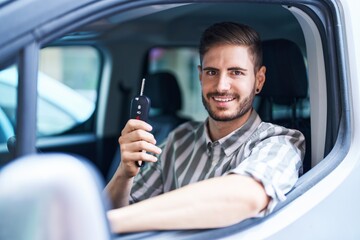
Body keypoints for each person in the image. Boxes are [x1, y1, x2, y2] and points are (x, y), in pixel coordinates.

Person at [105, 22, 305, 233]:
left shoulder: (281, 141)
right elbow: (121, 207)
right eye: (212, 72)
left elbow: (246, 196)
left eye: (236, 72)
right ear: (200, 76)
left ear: (259, 80)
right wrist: (124, 173)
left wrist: (108, 222)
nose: (221, 86)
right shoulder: (179, 139)